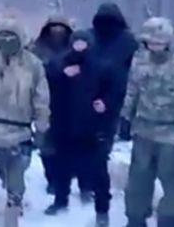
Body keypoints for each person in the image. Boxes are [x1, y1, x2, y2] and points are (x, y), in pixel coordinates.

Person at [0, 16, 50, 227]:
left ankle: (12, 214)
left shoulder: (33, 64)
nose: (7, 41)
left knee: (16, 178)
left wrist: (41, 127)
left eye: (11, 37)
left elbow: (41, 99)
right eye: (2, 37)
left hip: (19, 132)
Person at [121, 17, 174, 227]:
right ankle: (135, 218)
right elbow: (132, 90)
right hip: (144, 131)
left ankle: (171, 220)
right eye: (150, 42)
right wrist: (125, 118)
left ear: (168, 41)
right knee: (138, 180)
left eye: (159, 42)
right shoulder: (140, 59)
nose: (154, 47)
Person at [43, 30, 114, 227]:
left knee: (99, 172)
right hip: (63, 125)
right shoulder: (59, 63)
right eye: (76, 43)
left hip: (92, 127)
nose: (79, 47)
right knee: (61, 168)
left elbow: (114, 91)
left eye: (83, 43)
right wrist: (61, 74)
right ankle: (60, 200)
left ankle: (102, 210)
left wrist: (105, 103)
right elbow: (45, 85)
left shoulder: (101, 66)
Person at [29, 15, 73, 195]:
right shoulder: (38, 50)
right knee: (46, 144)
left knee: (67, 144)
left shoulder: (73, 48)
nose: (57, 31)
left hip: (69, 102)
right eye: (54, 28)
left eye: (61, 28)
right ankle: (52, 179)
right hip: (44, 101)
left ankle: (67, 178)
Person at [89, 3, 138, 140]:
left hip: (119, 90)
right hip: (91, 89)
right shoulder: (89, 37)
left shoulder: (129, 41)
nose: (107, 25)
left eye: (110, 21)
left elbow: (134, 68)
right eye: (103, 20)